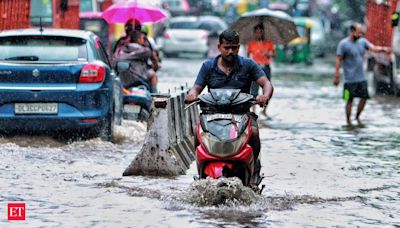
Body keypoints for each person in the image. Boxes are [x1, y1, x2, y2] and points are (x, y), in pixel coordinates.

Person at [185, 29, 274, 184]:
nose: (230, 51)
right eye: (227, 47)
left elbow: (266, 83)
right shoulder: (208, 66)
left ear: (239, 48)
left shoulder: (248, 65)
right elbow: (196, 88)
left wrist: (264, 96)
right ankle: (200, 170)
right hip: (212, 116)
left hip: (242, 115)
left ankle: (254, 170)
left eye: (234, 47)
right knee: (195, 130)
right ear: (219, 47)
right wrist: (192, 95)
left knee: (253, 132)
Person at [334, 22, 390, 126]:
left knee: (364, 98)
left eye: (361, 33)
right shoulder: (343, 44)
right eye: (358, 33)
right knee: (349, 100)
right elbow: (338, 60)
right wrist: (337, 76)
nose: (360, 35)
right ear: (352, 31)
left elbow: (373, 48)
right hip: (349, 79)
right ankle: (348, 121)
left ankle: (357, 117)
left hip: (361, 78)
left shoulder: (362, 42)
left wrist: (383, 49)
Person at [247, 23, 275, 115]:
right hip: (255, 67)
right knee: (254, 89)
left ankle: (264, 110)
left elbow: (274, 55)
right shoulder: (251, 43)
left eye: (260, 32)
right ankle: (254, 110)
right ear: (254, 33)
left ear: (263, 32)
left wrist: (268, 54)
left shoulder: (268, 43)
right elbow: (248, 56)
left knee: (268, 88)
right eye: (257, 32)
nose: (258, 34)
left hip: (265, 67)